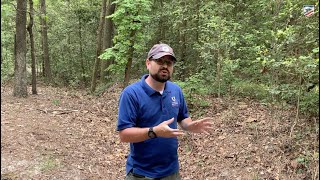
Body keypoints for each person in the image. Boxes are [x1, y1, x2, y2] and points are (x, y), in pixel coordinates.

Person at [117, 43, 213, 180]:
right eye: (160, 61)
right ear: (148, 63)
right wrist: (154, 131)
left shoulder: (175, 90)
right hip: (141, 173)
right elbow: (124, 135)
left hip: (171, 172)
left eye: (169, 62)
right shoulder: (132, 94)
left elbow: (183, 118)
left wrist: (190, 126)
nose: (165, 66)